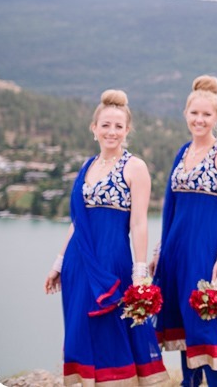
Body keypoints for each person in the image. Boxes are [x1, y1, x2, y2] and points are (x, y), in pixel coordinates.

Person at [44, 89, 168, 386]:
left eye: (118, 126)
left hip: (112, 262)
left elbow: (139, 224)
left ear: (127, 130)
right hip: (78, 263)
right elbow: (77, 223)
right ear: (94, 128)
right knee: (81, 326)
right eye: (106, 125)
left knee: (112, 327)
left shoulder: (134, 167)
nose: (111, 132)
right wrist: (59, 263)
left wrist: (140, 274)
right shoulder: (86, 167)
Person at [153, 75, 217, 386]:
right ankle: (188, 382)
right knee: (182, 321)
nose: (199, 120)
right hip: (177, 251)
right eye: (194, 113)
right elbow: (172, 207)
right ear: (185, 113)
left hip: (206, 252)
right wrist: (159, 252)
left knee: (205, 322)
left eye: (207, 114)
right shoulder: (182, 153)